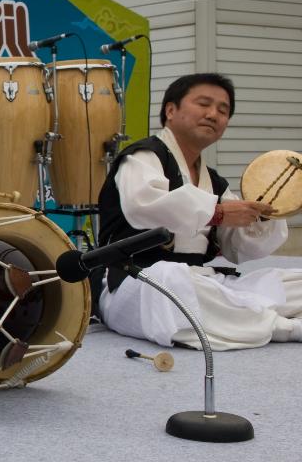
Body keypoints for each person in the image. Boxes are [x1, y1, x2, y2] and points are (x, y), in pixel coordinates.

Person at [97, 72, 302, 350]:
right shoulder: (143, 156)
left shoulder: (213, 181)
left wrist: (264, 214)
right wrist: (217, 213)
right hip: (137, 282)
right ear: (170, 110)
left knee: (289, 279)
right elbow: (142, 206)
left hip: (199, 282)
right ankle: (283, 326)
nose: (213, 114)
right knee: (170, 278)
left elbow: (239, 249)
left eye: (223, 110)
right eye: (203, 104)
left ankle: (244, 316)